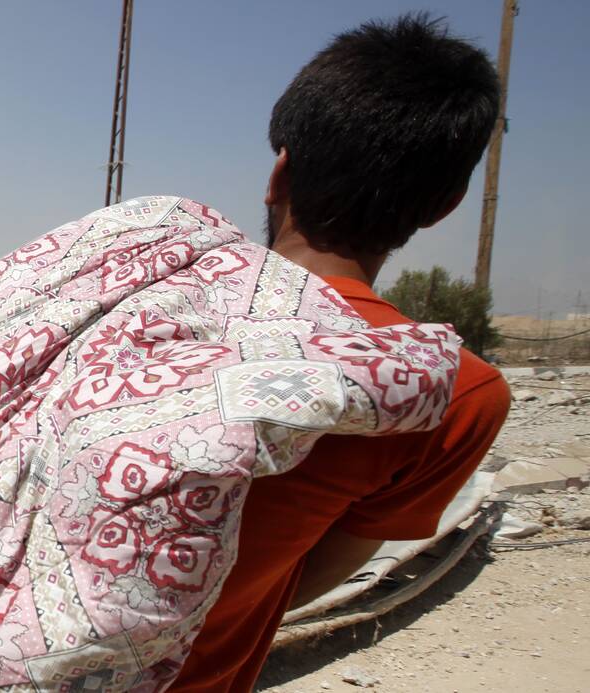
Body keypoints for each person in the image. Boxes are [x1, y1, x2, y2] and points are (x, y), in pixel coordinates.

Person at [173, 14, 511, 690]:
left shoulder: (127, 303)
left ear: (279, 173)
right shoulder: (450, 395)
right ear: (443, 206)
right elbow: (315, 571)